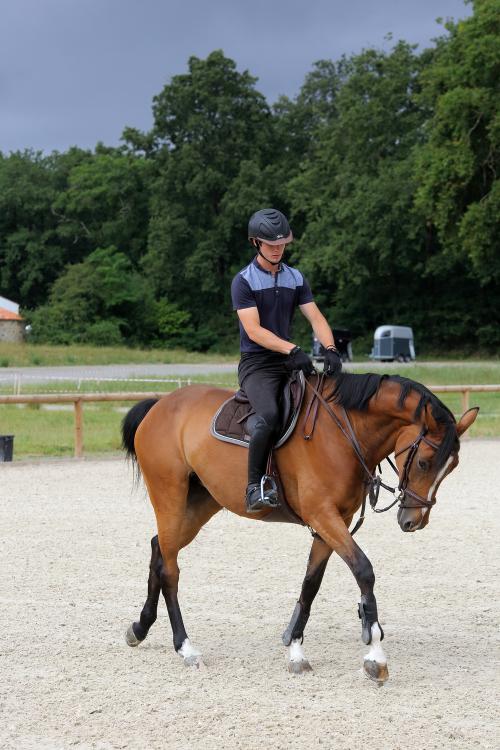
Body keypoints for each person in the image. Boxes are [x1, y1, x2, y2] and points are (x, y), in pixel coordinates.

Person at [231, 208, 342, 514]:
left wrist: (330, 349)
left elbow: (316, 317)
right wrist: (292, 349)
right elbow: (253, 331)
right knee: (268, 415)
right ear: (255, 243)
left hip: (289, 361)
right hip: (258, 364)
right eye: (271, 244)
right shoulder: (243, 281)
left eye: (282, 244)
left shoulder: (295, 278)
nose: (278, 249)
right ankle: (254, 487)